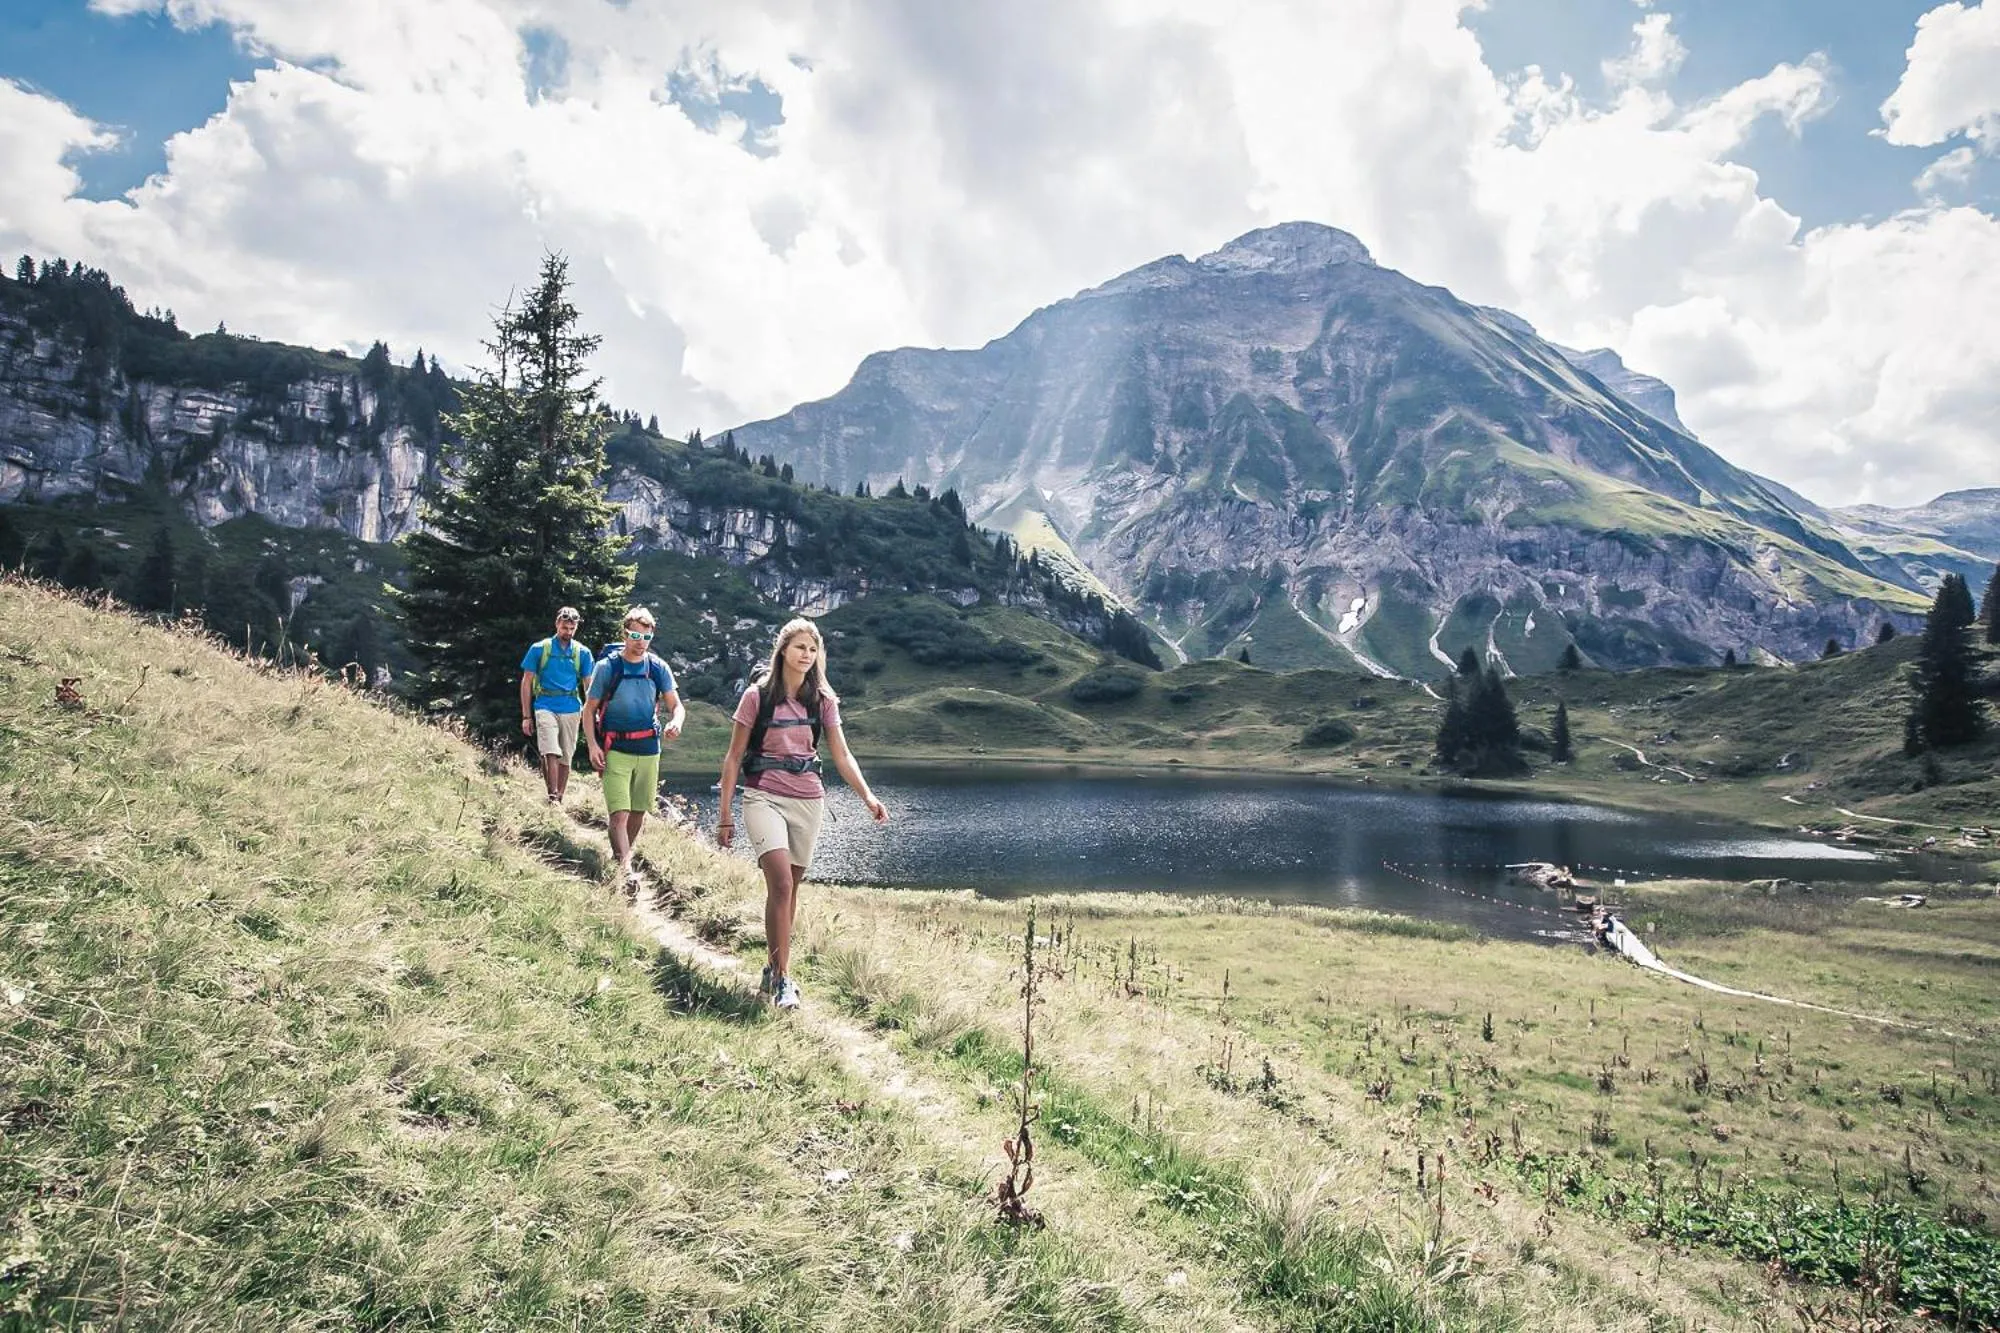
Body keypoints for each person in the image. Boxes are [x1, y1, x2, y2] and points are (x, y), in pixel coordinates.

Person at [717, 617, 887, 1010]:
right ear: (783, 651)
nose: (807, 655)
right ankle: (783, 980)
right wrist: (724, 815)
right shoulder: (756, 697)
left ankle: (772, 967)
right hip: (763, 797)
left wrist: (868, 797)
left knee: (789, 889)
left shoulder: (823, 700)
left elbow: (841, 755)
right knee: (779, 884)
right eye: (800, 648)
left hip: (809, 800)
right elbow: (733, 757)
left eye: (813, 649)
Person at [582, 607, 684, 886]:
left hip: (649, 749)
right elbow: (588, 710)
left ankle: (621, 855)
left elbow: (676, 705)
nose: (641, 641)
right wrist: (592, 746)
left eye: (646, 636)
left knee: (639, 811)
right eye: (635, 635)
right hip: (615, 749)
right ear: (625, 634)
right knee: (620, 812)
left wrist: (676, 721)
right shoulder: (607, 667)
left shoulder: (658, 667)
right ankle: (626, 871)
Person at [519, 607, 595, 803]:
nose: (567, 632)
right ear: (556, 624)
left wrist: (592, 712)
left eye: (571, 628)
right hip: (545, 704)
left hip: (571, 707)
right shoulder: (539, 649)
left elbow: (589, 685)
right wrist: (526, 716)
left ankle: (559, 798)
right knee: (549, 750)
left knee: (566, 755)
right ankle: (552, 796)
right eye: (564, 628)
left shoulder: (582, 653)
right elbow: (526, 681)